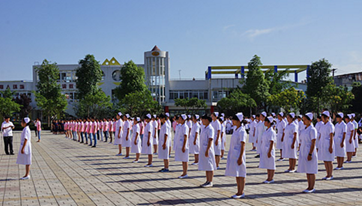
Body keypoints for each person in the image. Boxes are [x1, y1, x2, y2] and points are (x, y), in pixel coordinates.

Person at [225, 113, 247, 199]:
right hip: (234, 154)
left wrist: (240, 157)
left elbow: (243, 145)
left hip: (239, 155)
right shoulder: (236, 129)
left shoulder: (242, 131)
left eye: (234, 120)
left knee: (241, 173)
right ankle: (238, 191)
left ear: (238, 121)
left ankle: (241, 192)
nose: (232, 121)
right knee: (237, 174)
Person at [297, 113, 318, 193]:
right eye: (303, 120)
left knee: (311, 170)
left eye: (305, 120)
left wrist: (310, 153)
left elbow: (313, 142)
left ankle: (312, 187)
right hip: (304, 150)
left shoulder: (312, 129)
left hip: (310, 150)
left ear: (310, 120)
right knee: (307, 169)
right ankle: (308, 186)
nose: (304, 121)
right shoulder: (304, 129)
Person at [199, 115, 217, 188]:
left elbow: (210, 139)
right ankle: (207, 180)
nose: (202, 121)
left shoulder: (210, 128)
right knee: (206, 165)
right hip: (204, 148)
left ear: (207, 120)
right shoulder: (204, 128)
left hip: (208, 149)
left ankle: (210, 181)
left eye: (203, 120)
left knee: (210, 165)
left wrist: (207, 150)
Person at [318, 111, 335, 180]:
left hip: (328, 143)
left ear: (327, 118)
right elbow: (321, 134)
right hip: (323, 143)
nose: (322, 119)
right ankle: (327, 174)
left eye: (323, 118)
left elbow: (331, 136)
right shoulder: (322, 125)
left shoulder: (330, 125)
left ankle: (330, 174)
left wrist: (330, 146)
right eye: (322, 118)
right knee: (325, 160)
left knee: (329, 160)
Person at [259, 116, 276, 183]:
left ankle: (271, 178)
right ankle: (268, 177)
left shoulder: (271, 131)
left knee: (271, 164)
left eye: (265, 121)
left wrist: (269, 151)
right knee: (267, 164)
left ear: (269, 123)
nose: (264, 122)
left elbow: (271, 142)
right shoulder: (266, 130)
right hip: (265, 149)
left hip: (269, 149)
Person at [174, 114, 189, 178]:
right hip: (180, 144)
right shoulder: (180, 126)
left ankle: (185, 173)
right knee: (183, 159)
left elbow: (185, 137)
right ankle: (183, 172)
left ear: (183, 120)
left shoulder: (185, 127)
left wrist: (184, 146)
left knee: (185, 160)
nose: (178, 119)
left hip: (184, 145)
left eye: (180, 118)